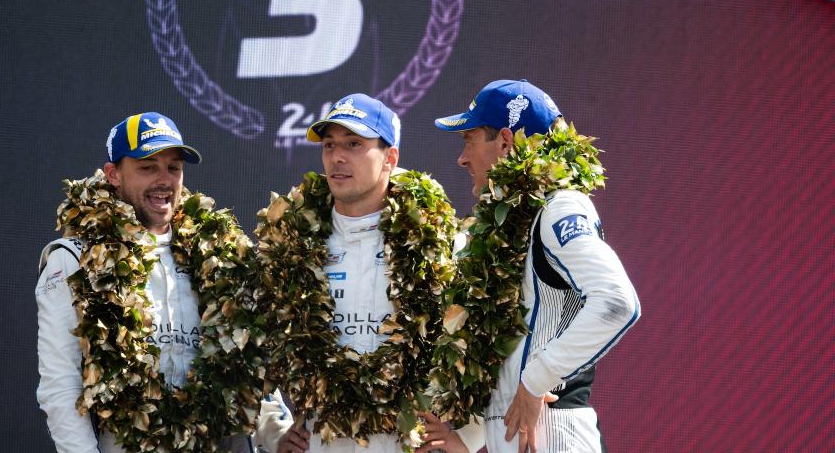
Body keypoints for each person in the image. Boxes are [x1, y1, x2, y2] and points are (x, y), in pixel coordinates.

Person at [255, 94, 482, 453]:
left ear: (390, 158)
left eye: (354, 144)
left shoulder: (439, 243)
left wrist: (471, 437)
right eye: (329, 145)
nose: (337, 157)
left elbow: (487, 340)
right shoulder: (290, 244)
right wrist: (271, 430)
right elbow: (246, 351)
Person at [433, 80, 641, 453]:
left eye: (469, 140)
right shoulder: (513, 221)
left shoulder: (559, 207)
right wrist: (466, 439)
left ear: (506, 141)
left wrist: (534, 383)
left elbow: (617, 302)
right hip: (524, 432)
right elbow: (514, 346)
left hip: (554, 431)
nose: (462, 159)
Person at [35, 112, 250, 453]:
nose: (164, 180)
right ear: (113, 175)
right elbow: (61, 384)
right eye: (148, 167)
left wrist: (276, 431)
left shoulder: (218, 253)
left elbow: (247, 364)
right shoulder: (75, 258)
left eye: (173, 167)